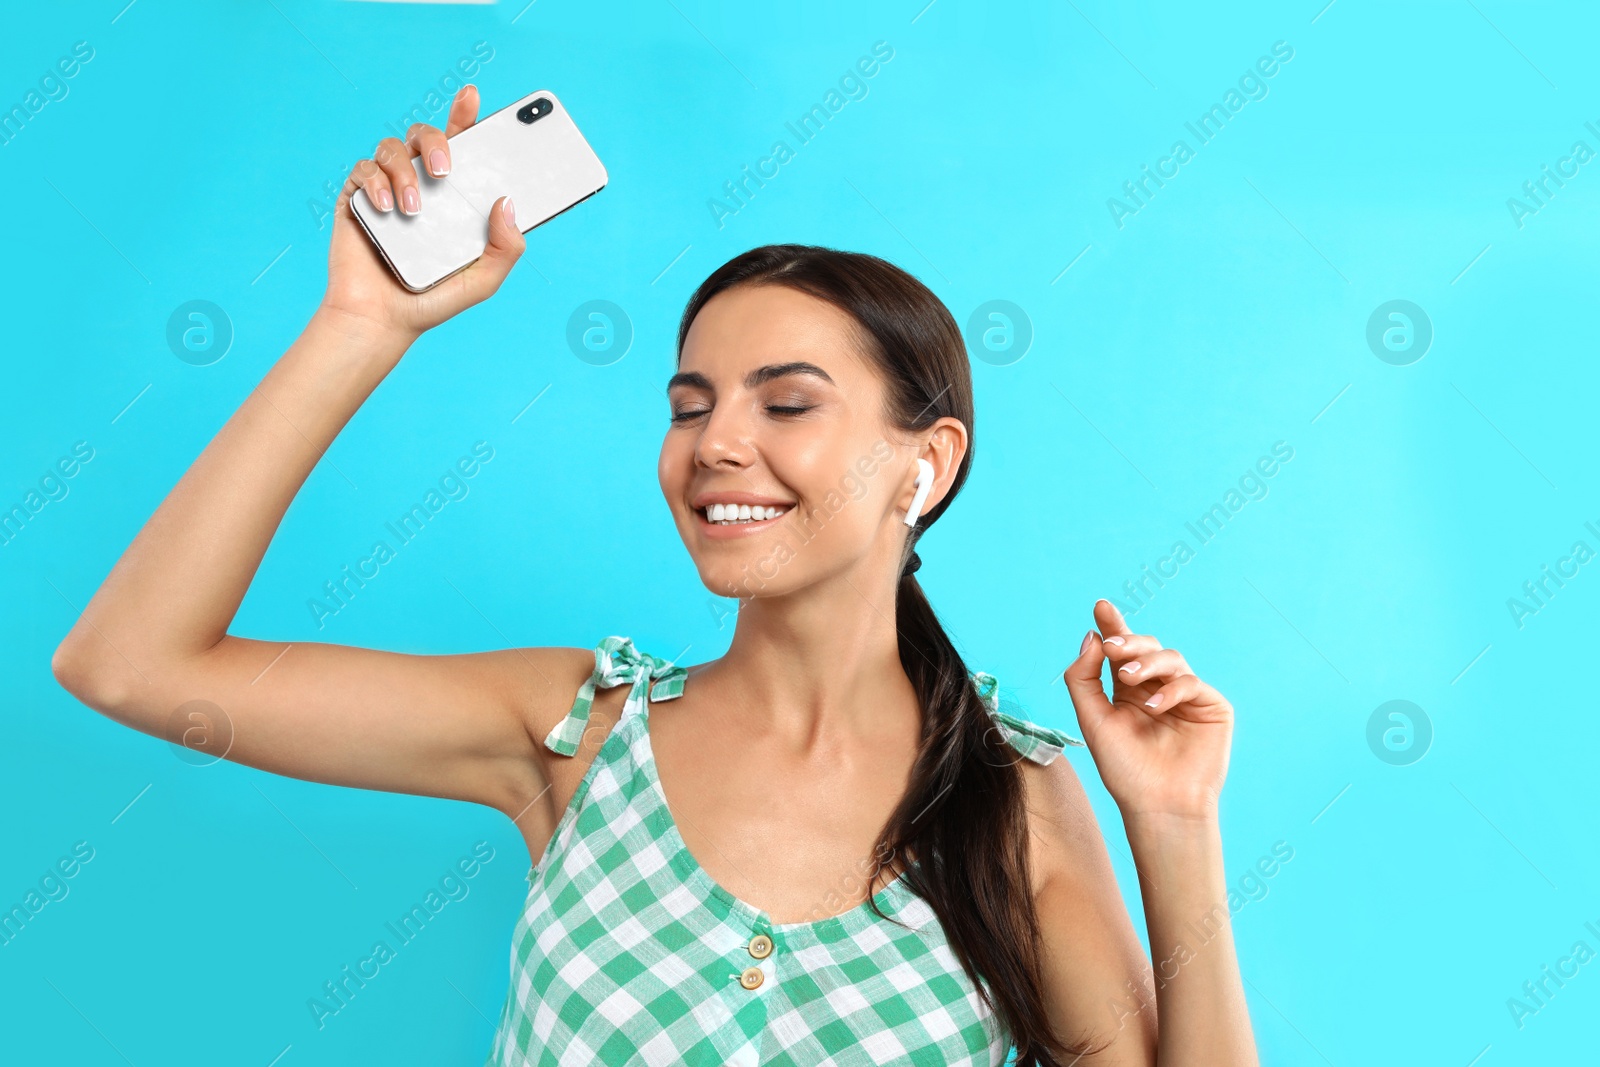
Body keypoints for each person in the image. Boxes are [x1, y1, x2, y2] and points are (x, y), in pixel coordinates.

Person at [51, 85, 1258, 1066]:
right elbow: (132, 665)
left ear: (925, 464)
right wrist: (362, 324)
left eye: (785, 401)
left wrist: (1172, 820)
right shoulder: (574, 728)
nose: (716, 443)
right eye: (690, 406)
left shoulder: (1013, 793)